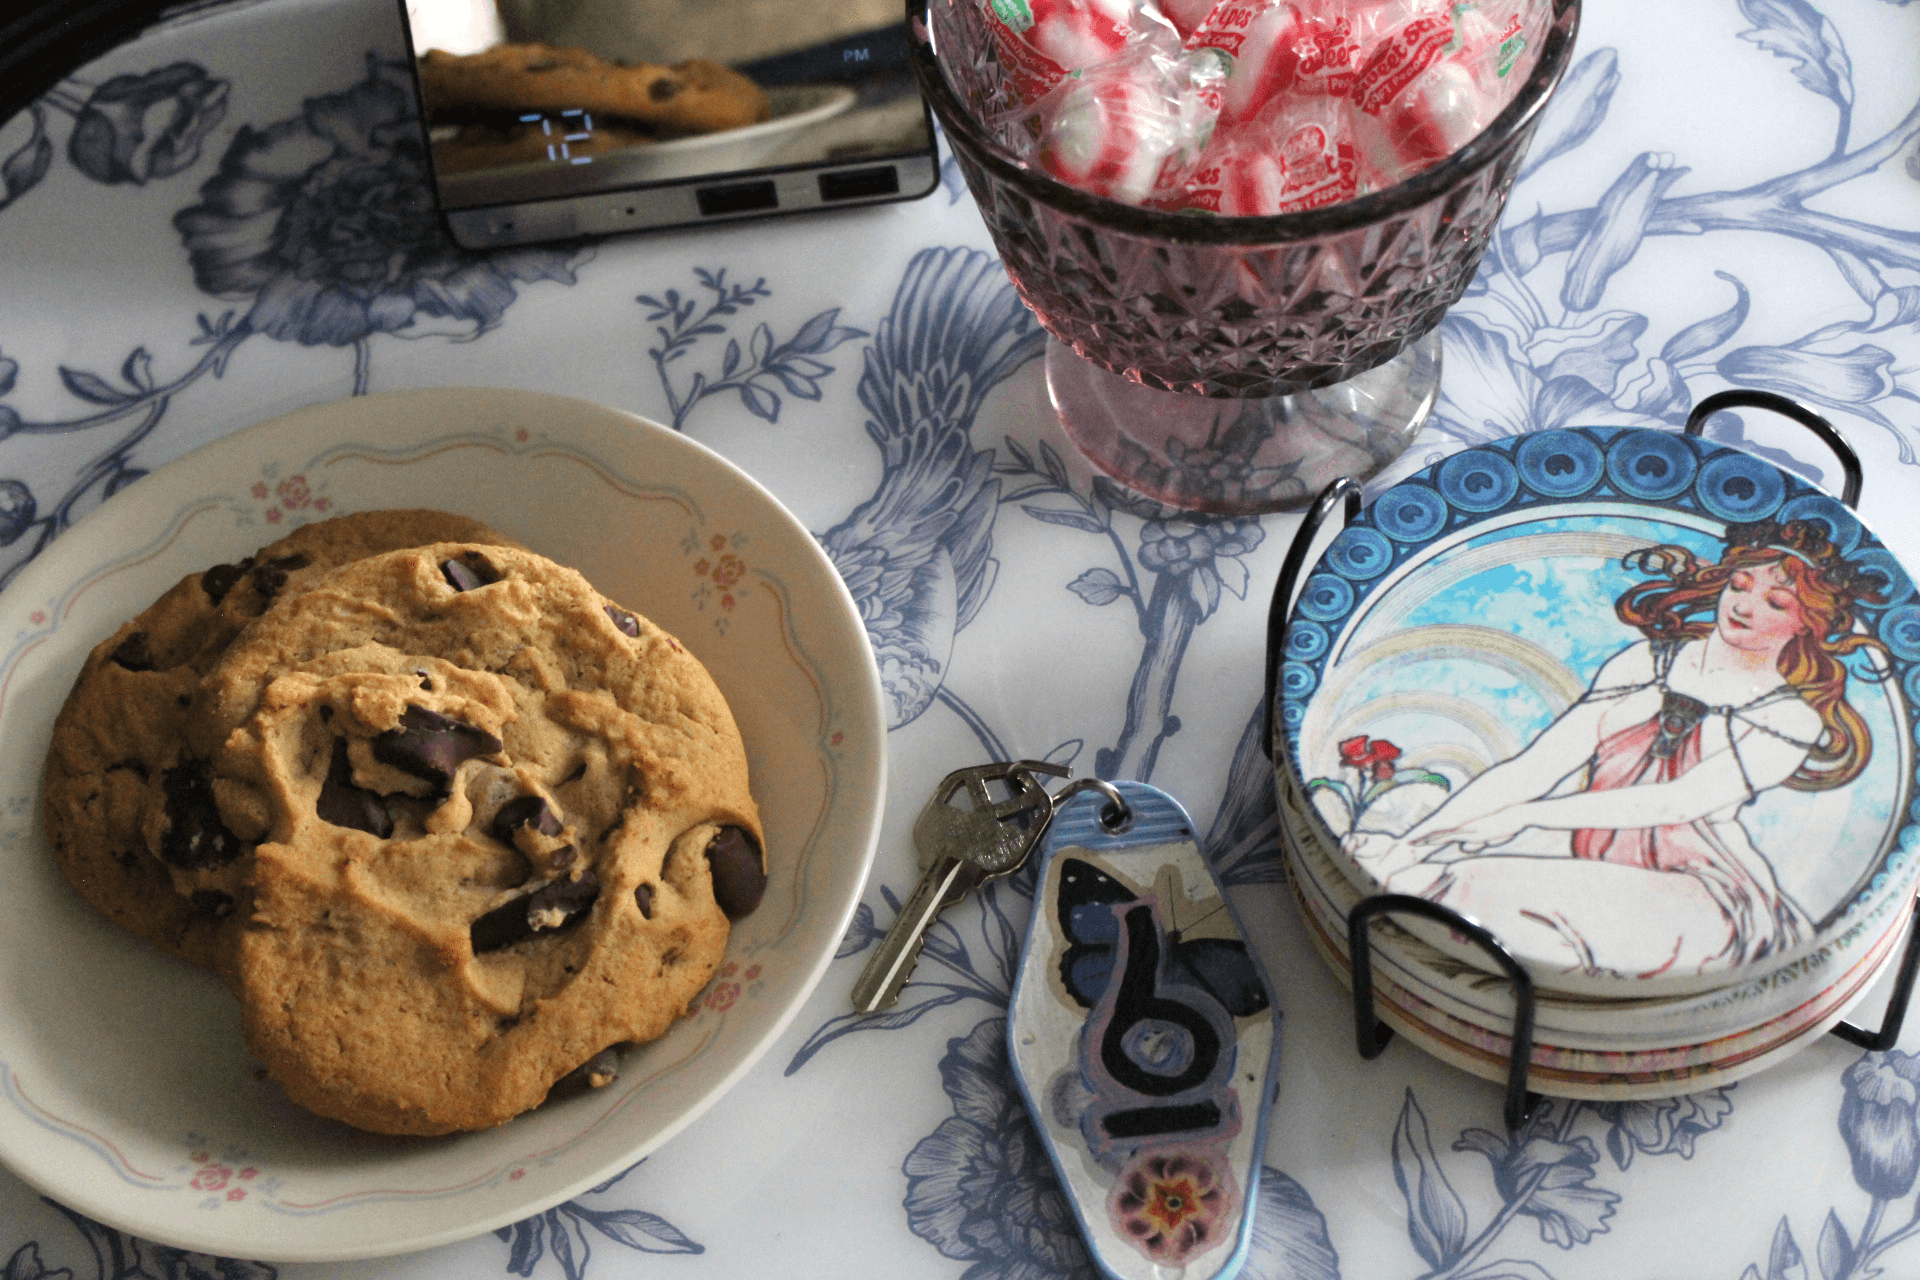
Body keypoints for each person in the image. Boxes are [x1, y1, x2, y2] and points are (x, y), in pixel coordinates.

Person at [1354, 517, 1890, 981]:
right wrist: (1423, 836)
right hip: (1606, 871)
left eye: (1775, 601)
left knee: (1480, 886)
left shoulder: (1788, 717)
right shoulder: (1643, 664)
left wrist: (1523, 818)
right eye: (1739, 586)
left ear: (1807, 624)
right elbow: (1535, 766)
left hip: (1707, 895)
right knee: (1424, 873)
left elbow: (1674, 803)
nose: (1744, 606)